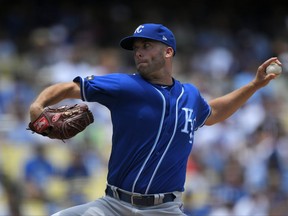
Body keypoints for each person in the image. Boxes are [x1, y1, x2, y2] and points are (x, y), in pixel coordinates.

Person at [29, 23, 281, 216]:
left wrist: (254, 85)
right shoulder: (124, 86)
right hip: (114, 206)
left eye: (146, 46)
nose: (139, 53)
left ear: (168, 51)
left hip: (165, 209)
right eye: (136, 48)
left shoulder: (189, 95)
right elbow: (67, 88)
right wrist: (38, 105)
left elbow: (213, 113)